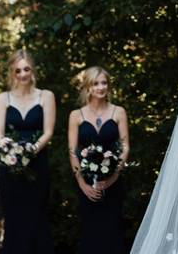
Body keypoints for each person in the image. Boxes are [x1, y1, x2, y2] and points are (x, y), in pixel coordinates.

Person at [0, 50, 56, 253]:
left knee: (37, 217)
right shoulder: (3, 98)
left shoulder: (46, 96)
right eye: (18, 70)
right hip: (10, 166)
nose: (22, 74)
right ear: (12, 72)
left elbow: (48, 132)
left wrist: (31, 150)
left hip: (37, 165)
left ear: (33, 70)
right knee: (14, 219)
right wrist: (8, 149)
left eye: (26, 69)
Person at [67, 67, 130, 254]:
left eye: (104, 83)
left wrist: (113, 177)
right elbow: (72, 151)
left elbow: (125, 146)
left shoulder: (118, 112)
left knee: (113, 232)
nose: (100, 87)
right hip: (86, 185)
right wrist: (82, 184)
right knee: (91, 234)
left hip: (113, 183)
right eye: (96, 83)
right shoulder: (76, 115)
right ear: (87, 86)